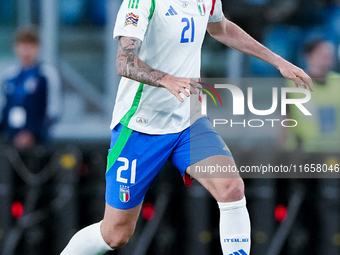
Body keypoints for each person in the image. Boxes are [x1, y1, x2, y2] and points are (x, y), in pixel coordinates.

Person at [61, 0, 313, 254]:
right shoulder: (142, 2)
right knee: (115, 234)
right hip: (140, 127)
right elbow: (124, 61)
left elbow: (221, 28)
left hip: (188, 121)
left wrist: (278, 61)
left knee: (231, 188)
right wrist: (166, 80)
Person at [0, 26, 62, 148]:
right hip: (10, 140)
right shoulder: (9, 77)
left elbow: (54, 110)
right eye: (23, 46)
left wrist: (32, 133)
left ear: (38, 48)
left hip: (38, 142)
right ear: (16, 48)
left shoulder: (47, 74)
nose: (26, 51)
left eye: (31, 46)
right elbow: (2, 108)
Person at [285, 39, 340, 152]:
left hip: (334, 149)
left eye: (330, 55)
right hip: (304, 150)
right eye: (322, 54)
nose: (327, 59)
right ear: (309, 56)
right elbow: (286, 118)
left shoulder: (337, 82)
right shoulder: (294, 84)